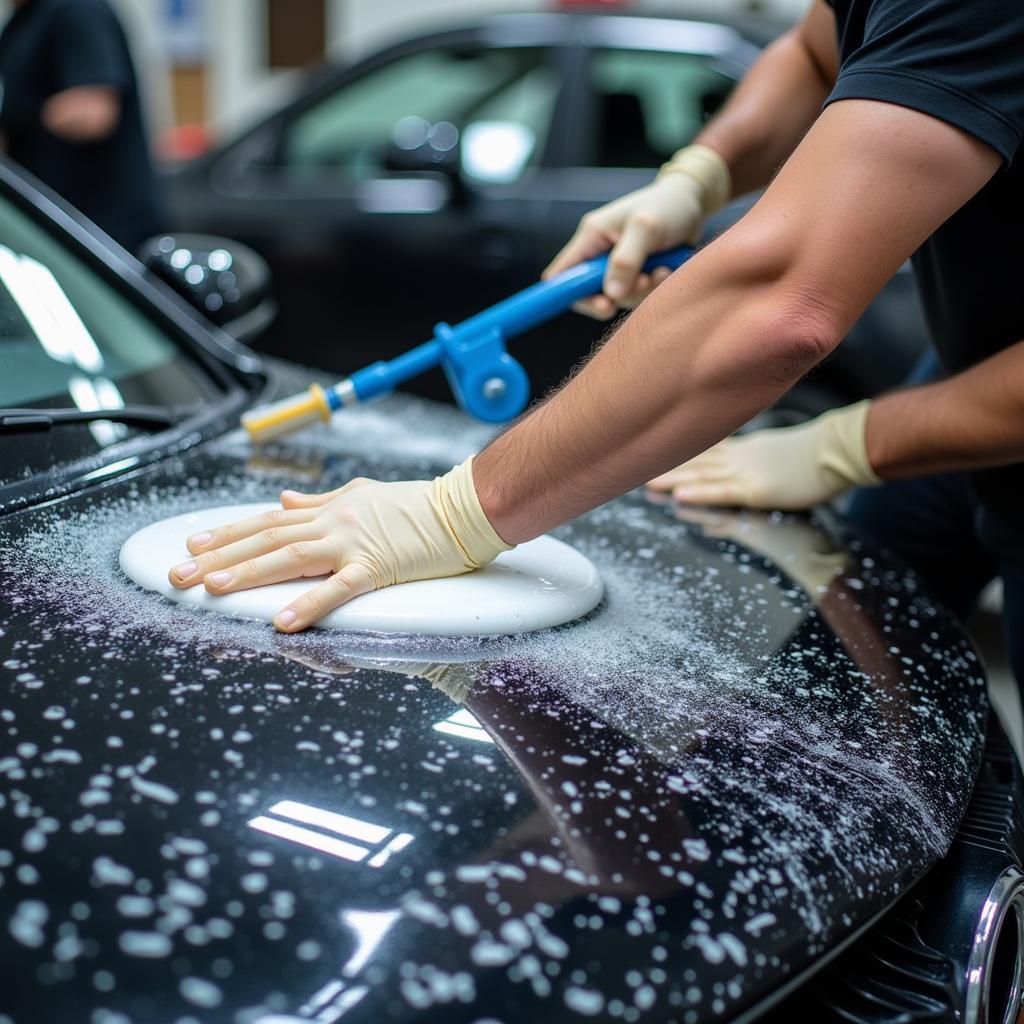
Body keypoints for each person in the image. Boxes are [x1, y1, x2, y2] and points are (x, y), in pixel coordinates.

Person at [169, 1, 1024, 686]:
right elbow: (816, 49)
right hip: (972, 361)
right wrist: (696, 178)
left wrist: (451, 514)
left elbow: (780, 304)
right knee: (853, 676)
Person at [0, 0, 163, 251]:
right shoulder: (20, 23)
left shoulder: (77, 9)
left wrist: (24, 117)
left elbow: (93, 111)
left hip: (101, 232)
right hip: (49, 225)